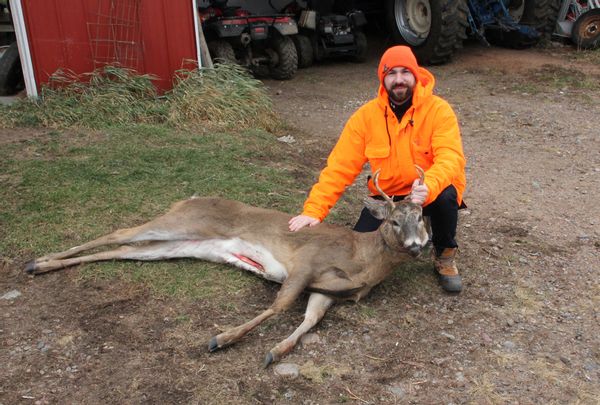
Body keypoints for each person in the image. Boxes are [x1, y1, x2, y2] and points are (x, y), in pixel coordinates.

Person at [288, 45, 466, 293]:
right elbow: (340, 166)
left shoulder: (438, 110)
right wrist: (314, 210)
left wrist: (430, 185)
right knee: (358, 249)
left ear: (416, 74)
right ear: (383, 78)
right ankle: (405, 238)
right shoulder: (366, 117)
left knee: (448, 197)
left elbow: (451, 156)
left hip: (424, 193)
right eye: (392, 73)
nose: (399, 79)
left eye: (405, 72)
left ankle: (444, 253)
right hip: (388, 198)